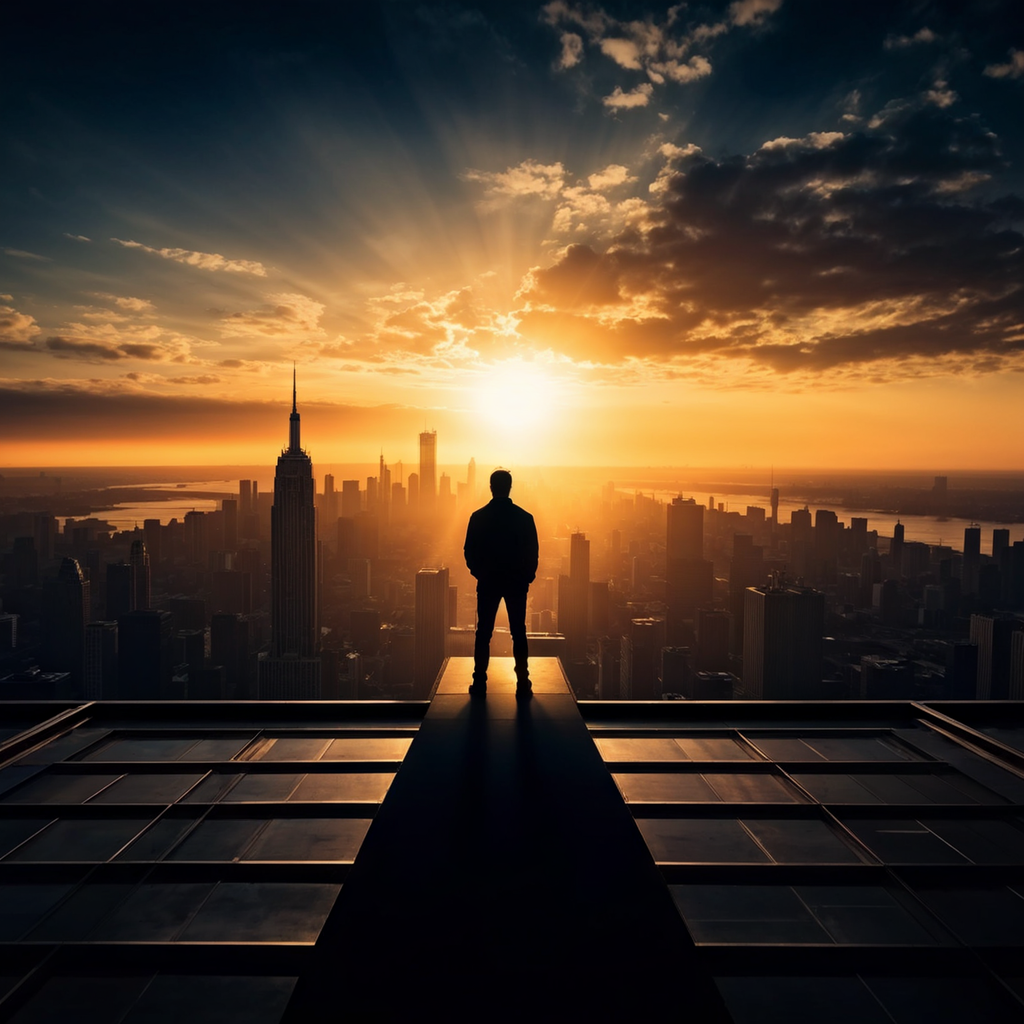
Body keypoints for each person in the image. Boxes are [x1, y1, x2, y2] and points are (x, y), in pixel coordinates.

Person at [463, 469, 539, 697]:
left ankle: (479, 682)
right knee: (519, 632)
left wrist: (480, 573)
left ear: (491, 487)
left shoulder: (478, 517)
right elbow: (533, 553)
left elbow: (469, 551)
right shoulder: (525, 518)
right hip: (516, 582)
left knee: (483, 632)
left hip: (488, 582)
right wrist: (526, 577)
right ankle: (522, 682)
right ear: (510, 487)